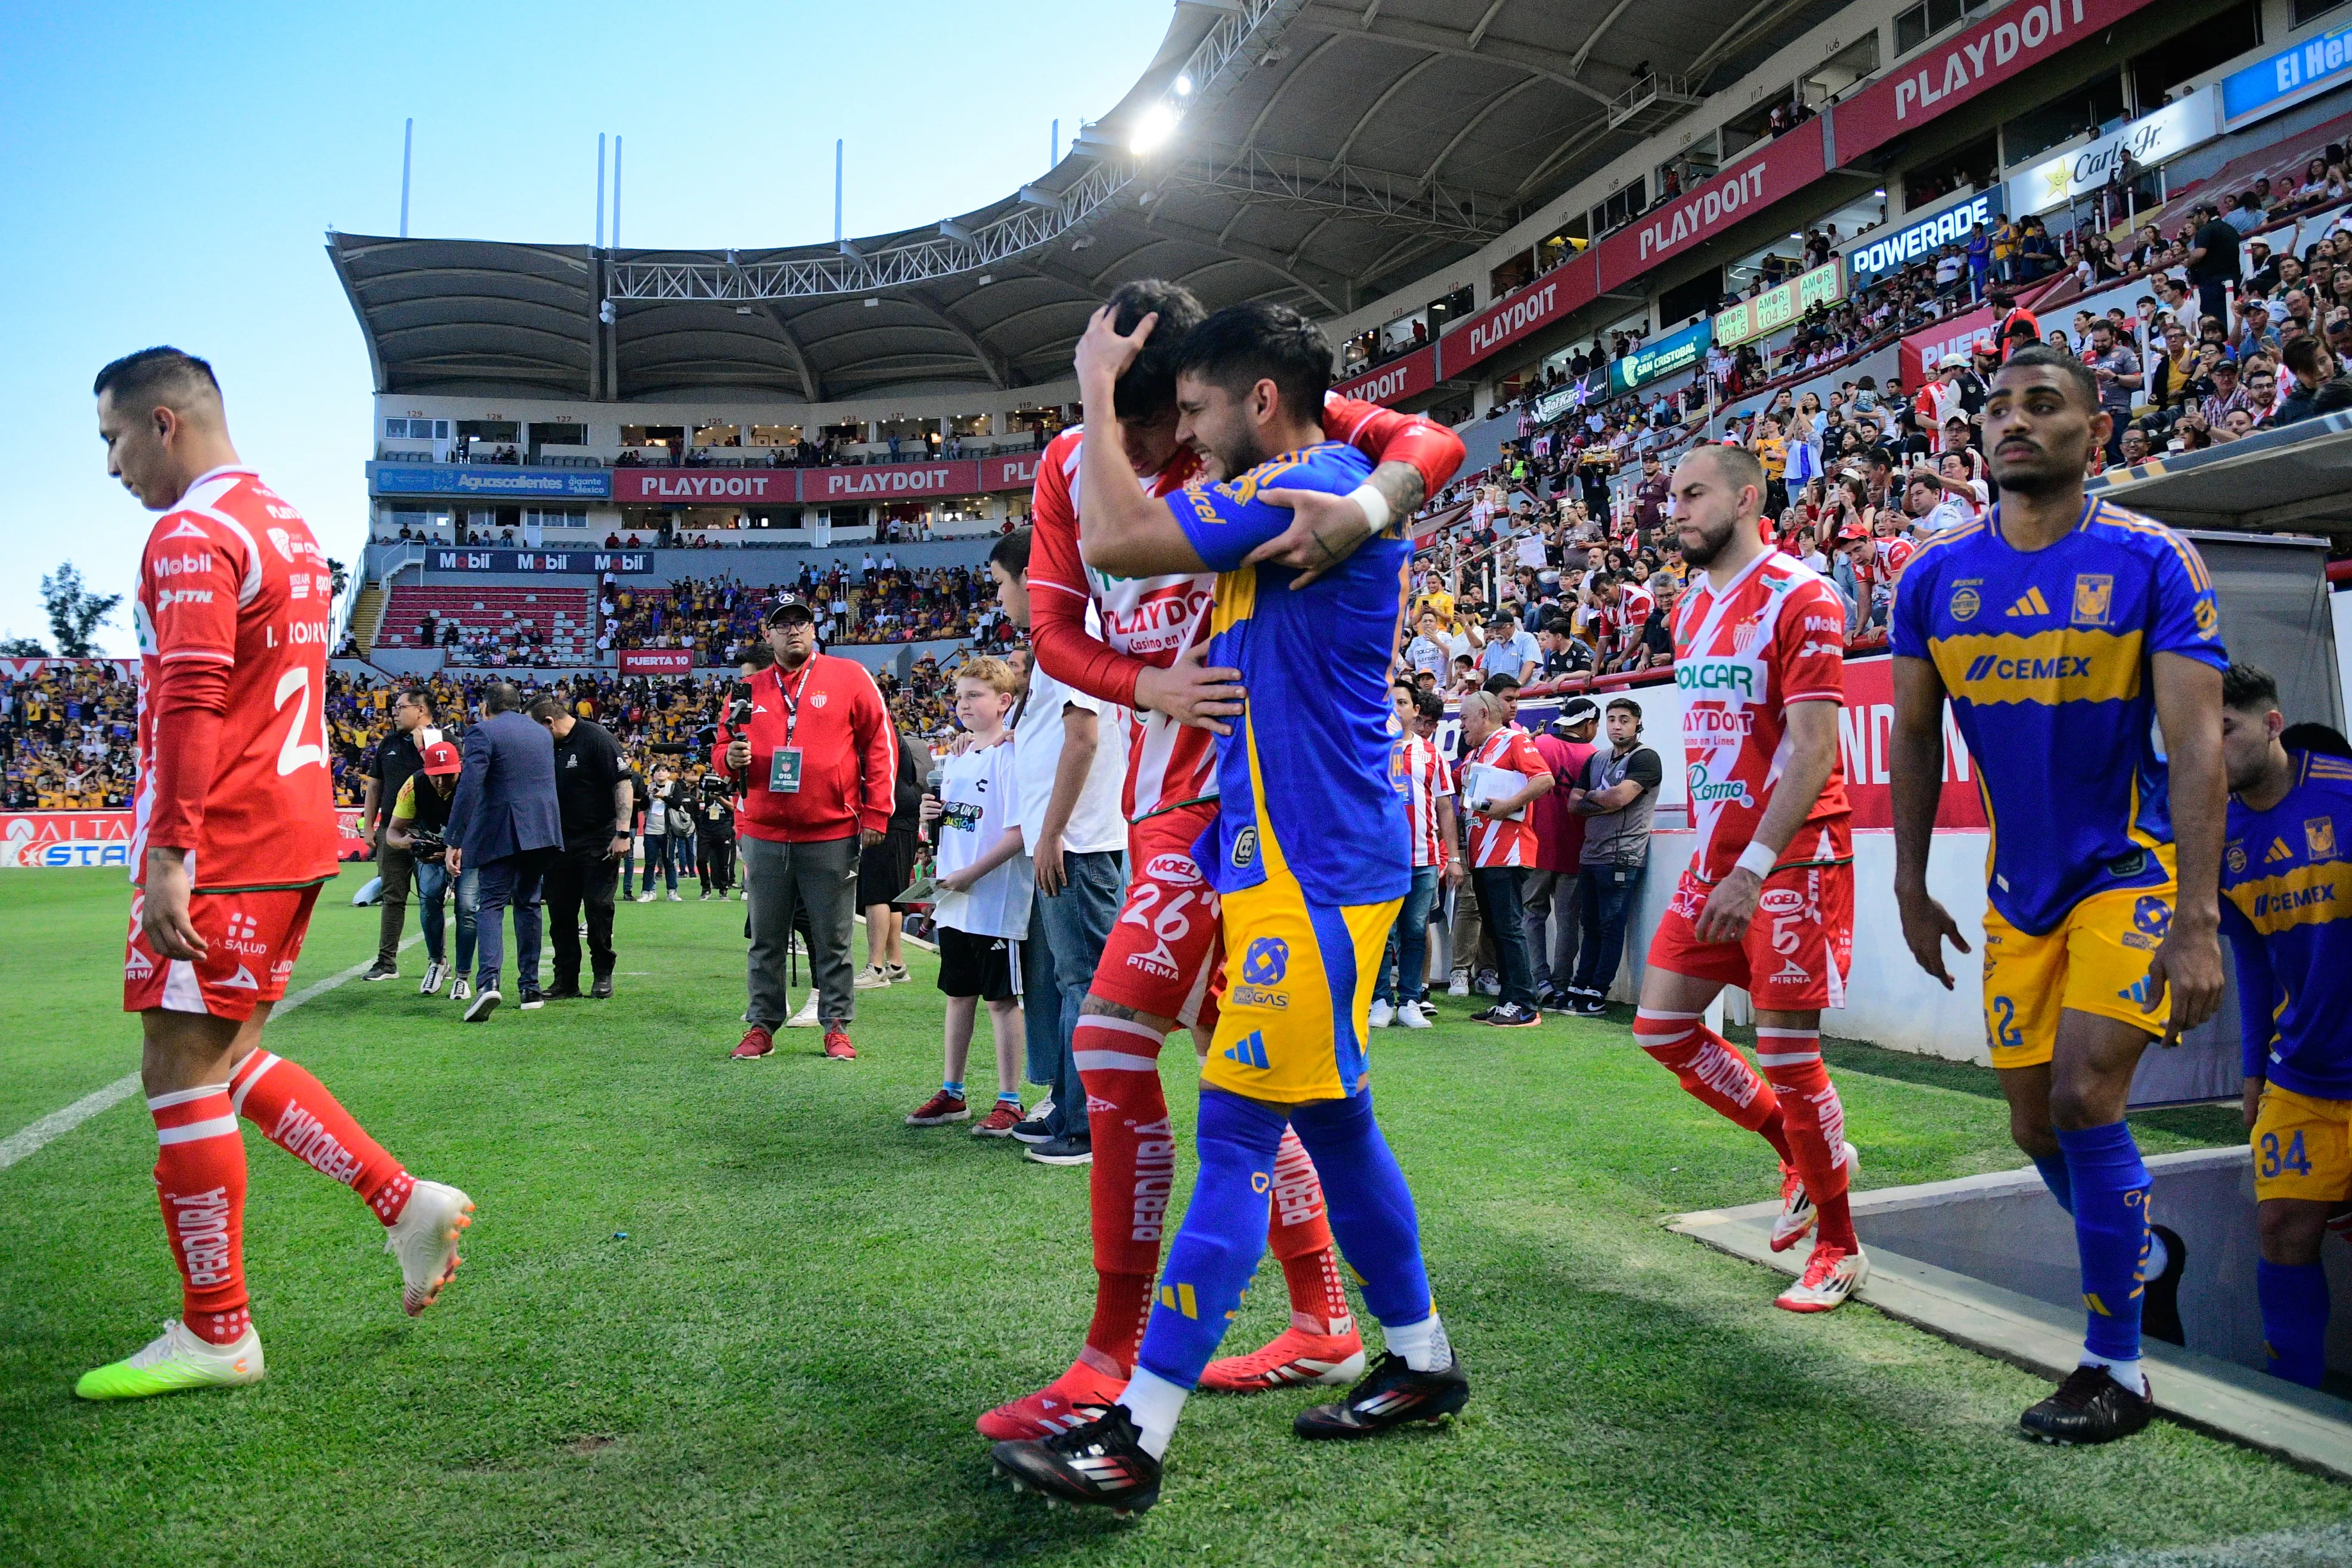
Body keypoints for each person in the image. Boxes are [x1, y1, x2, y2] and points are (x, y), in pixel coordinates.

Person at [992, 299, 1467, 1515]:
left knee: (1239, 1143)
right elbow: (1419, 443)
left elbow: (1114, 533)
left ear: (1260, 402)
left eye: (1199, 410)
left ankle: (1134, 1433)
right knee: (1342, 1127)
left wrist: (1096, 384)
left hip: (1311, 874)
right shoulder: (1317, 482)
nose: (1189, 434)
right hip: (1293, 865)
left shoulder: (1293, 488)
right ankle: (1416, 1360)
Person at [80, 346, 472, 1400]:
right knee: (230, 1056)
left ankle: (220, 1333)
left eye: (115, 438)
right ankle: (402, 1201)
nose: (111, 464)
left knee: (178, 1074)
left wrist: (171, 854)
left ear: (165, 422)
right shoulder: (287, 526)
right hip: (291, 831)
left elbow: (195, 698)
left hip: (226, 839)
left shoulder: (192, 531)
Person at [1888, 343, 2228, 1445]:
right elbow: (1911, 743)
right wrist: (1907, 880)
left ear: (2097, 430)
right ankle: (2147, 1257)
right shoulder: (1931, 579)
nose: (2014, 423)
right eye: (1997, 408)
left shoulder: (2154, 559)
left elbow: (2197, 749)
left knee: (2087, 1097)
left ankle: (2115, 1367)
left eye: (2044, 405)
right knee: (2035, 1122)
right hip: (2018, 889)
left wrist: (2197, 919)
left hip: (2132, 870)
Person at [1636, 444, 1867, 1312]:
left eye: (1692, 493)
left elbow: (1813, 749)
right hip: (1714, 855)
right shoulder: (1691, 606)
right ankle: (1803, 1155)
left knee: (1790, 1053)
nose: (1677, 509)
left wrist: (1755, 866)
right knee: (1662, 1028)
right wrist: (1717, 862)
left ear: (1746, 496)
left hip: (1793, 852)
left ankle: (1840, 1247)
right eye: (1671, 494)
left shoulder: (1803, 595)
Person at [2217, 665, 2352, 1389]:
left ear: (2271, 723)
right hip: (2302, 1071)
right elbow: (2252, 956)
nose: (2211, 748)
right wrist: (2253, 1072)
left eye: (2225, 728)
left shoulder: (2344, 789)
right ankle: (2292, 1402)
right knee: (2282, 1228)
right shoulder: (2218, 834)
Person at [990, 528, 1129, 1163]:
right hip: (1075, 835)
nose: (999, 599)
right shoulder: (1061, 636)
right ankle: (1072, 1109)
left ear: (1028, 575)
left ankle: (1087, 1124)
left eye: (1000, 583)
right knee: (1074, 978)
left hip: (1080, 838)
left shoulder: (1073, 628)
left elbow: (1084, 738)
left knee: (1087, 981)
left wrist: (1051, 832)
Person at [720, 595, 897, 1064]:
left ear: (814, 629)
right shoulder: (747, 689)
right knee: (766, 937)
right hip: (764, 831)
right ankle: (762, 1025)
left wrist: (877, 813)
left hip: (831, 830)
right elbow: (721, 749)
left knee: (833, 937)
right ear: (768, 634)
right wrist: (728, 759)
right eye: (783, 624)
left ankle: (836, 1025)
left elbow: (879, 745)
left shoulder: (849, 676)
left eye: (801, 622)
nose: (793, 630)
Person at [907, 657, 1033, 1135]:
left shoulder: (1010, 754)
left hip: (995, 898)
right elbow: (958, 822)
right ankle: (953, 1092)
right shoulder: (956, 755)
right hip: (955, 897)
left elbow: (1019, 833)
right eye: (959, 696)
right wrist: (927, 816)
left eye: (975, 695)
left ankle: (1010, 1098)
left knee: (1002, 1000)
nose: (963, 704)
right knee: (958, 995)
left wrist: (971, 873)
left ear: (1004, 701)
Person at [445, 680, 562, 1021]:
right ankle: (530, 988)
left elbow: (469, 787)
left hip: (502, 830)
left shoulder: (484, 732)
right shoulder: (541, 733)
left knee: (492, 904)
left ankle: (489, 983)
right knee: (528, 903)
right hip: (541, 830)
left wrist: (456, 838)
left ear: (486, 706)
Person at [1457, 690, 1554, 1027]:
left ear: (1484, 714)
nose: (1461, 725)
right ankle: (1509, 1000)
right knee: (1498, 930)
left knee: (1509, 928)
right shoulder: (1478, 753)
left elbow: (1544, 778)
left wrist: (1510, 805)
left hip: (1508, 851)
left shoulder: (1513, 740)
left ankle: (1524, 1004)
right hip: (1483, 854)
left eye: (1465, 718)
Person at [526, 692, 631, 1000]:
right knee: (561, 915)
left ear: (549, 722)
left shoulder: (596, 738)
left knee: (599, 908)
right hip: (557, 842)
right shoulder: (547, 746)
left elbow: (622, 783)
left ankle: (602, 973)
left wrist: (622, 833)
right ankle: (566, 980)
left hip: (598, 840)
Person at [1563, 698, 1662, 1014]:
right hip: (1591, 853)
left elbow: (1620, 798)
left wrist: (1594, 798)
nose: (1617, 726)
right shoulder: (1597, 759)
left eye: (1624, 720)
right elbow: (1573, 804)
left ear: (1637, 723)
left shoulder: (1646, 758)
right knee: (1589, 925)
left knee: (1610, 925)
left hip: (1623, 856)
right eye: (1612, 719)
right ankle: (1580, 985)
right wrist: (1601, 800)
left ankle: (1597, 991)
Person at [1370, 684, 1458, 1030]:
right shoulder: (1368, 751)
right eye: (1388, 702)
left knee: (1414, 931)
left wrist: (1454, 859)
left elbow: (1446, 807)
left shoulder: (1432, 754)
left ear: (1416, 710)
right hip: (1378, 861)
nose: (1394, 707)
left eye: (1402, 702)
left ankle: (1409, 1000)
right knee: (1380, 934)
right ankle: (1379, 1001)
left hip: (1423, 858)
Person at [384, 739, 477, 1001]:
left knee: (467, 908)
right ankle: (437, 962)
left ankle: (463, 976)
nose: (440, 782)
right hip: (433, 854)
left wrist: (460, 850)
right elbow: (393, 832)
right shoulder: (414, 784)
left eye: (447, 776)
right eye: (434, 776)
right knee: (429, 901)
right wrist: (411, 844)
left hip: (469, 853)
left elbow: (489, 830)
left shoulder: (473, 784)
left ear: (459, 769)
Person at [359, 688, 440, 983]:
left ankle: (438, 961)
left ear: (420, 709)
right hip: (391, 832)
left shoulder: (443, 741)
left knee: (432, 898)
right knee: (393, 897)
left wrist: (423, 749)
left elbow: (448, 782)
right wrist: (370, 827)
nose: (394, 711)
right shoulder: (389, 742)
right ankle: (386, 961)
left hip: (429, 831)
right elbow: (375, 786)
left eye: (400, 706)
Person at [1524, 698, 1599, 1009]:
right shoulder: (1594, 756)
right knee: (1569, 921)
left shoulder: (1538, 744)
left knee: (1532, 915)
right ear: (1587, 725)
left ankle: (1537, 979)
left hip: (1536, 847)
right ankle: (1560, 984)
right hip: (1575, 849)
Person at [853, 687, 928, 989]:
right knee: (892, 894)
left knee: (876, 893)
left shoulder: (875, 731)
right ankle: (895, 964)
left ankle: (876, 967)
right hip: (903, 814)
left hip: (887, 814)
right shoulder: (890, 729)